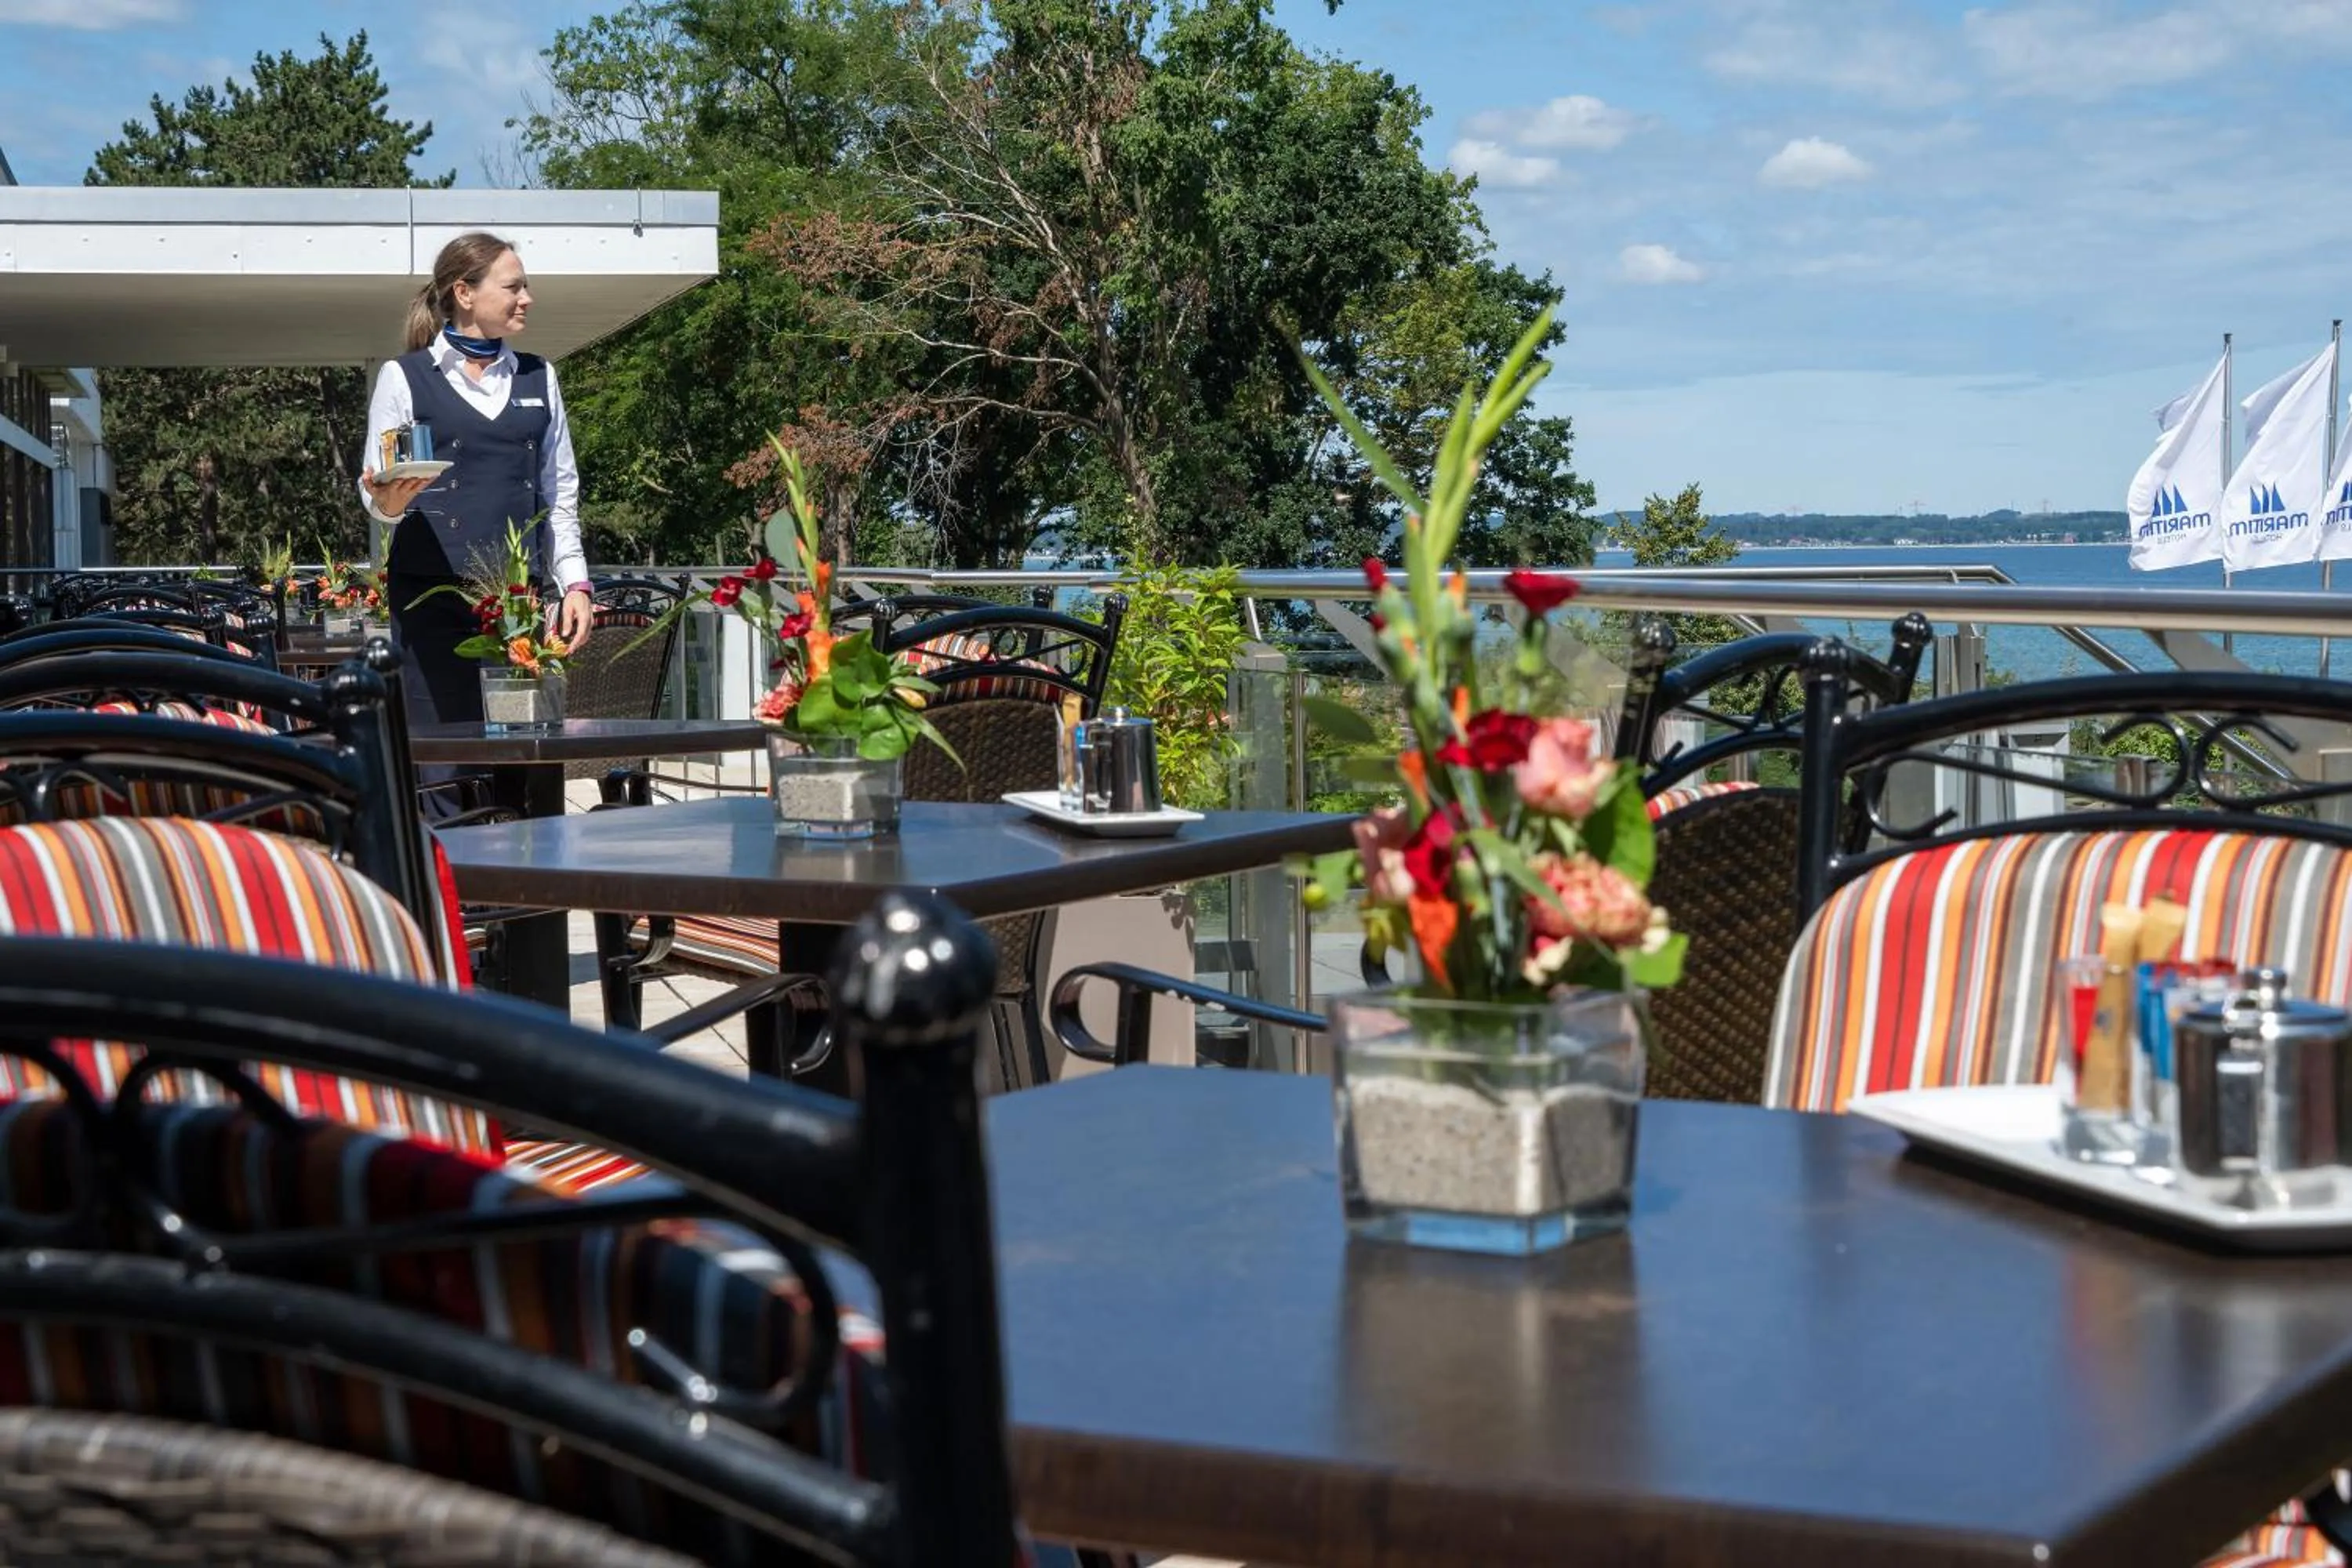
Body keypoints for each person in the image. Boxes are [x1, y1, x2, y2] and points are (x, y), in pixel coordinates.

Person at [358, 230, 594, 732]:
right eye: (513, 287)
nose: (526, 299)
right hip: (430, 602)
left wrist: (575, 583)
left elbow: (560, 494)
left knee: (526, 750)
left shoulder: (539, 377)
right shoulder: (404, 377)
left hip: (518, 604)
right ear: (464, 294)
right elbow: (379, 502)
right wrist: (388, 500)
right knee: (446, 762)